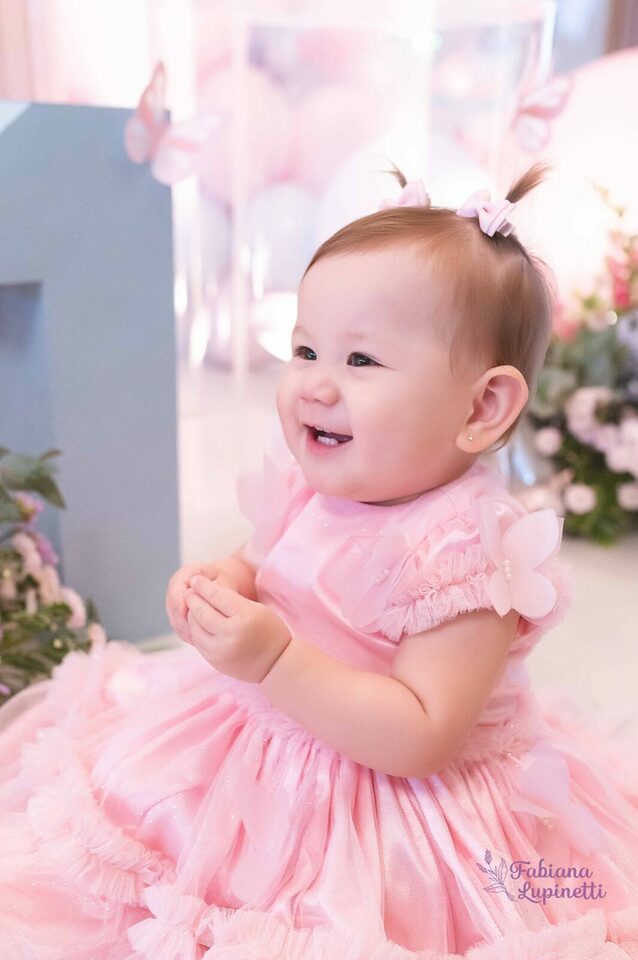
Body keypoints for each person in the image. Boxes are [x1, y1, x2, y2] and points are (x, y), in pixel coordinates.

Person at [1, 160, 637, 960]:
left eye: (360, 361)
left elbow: (421, 735)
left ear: (483, 406)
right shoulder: (323, 478)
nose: (315, 385)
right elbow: (268, 558)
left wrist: (275, 661)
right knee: (129, 839)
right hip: (258, 739)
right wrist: (222, 583)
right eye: (305, 349)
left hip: (385, 805)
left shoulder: (464, 556)